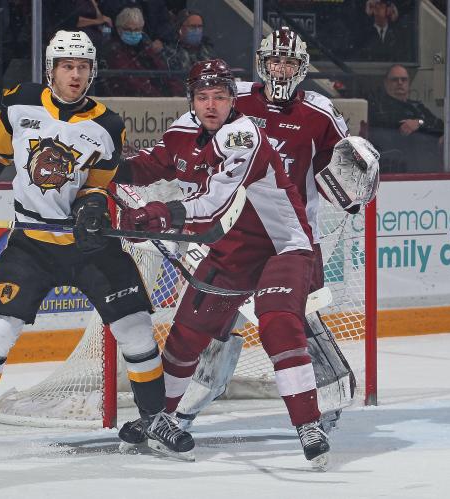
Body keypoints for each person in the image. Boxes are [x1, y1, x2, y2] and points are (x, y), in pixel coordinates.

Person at [0, 30, 193, 462]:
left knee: (135, 329)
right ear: (51, 69)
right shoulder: (19, 102)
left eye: (82, 67)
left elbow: (100, 185)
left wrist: (92, 211)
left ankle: (154, 419)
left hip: (89, 247)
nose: (75, 76)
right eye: (67, 67)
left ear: (92, 71)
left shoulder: (108, 123)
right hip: (32, 245)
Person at [113, 58, 338, 469]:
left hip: (283, 246)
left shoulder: (243, 135)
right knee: (184, 336)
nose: (211, 104)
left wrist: (159, 214)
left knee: (277, 322)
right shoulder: (183, 130)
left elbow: (216, 205)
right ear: (191, 100)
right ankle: (158, 417)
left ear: (233, 100)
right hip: (230, 252)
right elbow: (152, 163)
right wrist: (105, 169)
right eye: (203, 97)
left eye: (220, 96)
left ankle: (309, 424)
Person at [172, 27, 375, 433]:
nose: (281, 70)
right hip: (231, 237)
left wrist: (357, 185)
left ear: (301, 68)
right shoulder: (236, 97)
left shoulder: (319, 113)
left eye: (289, 63)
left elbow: (339, 178)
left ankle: (323, 411)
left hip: (290, 241)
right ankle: (181, 413)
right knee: (215, 326)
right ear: (262, 64)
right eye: (275, 62)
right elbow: (189, 145)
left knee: (297, 325)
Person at [369, 64, 444, 173]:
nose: (400, 83)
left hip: (426, 170)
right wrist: (421, 124)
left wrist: (419, 122)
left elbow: (440, 125)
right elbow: (396, 126)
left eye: (404, 80)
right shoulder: (378, 108)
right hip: (397, 171)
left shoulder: (417, 106)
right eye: (395, 80)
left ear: (409, 83)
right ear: (386, 83)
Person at [99, 6, 181, 97]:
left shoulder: (146, 47)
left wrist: (177, 94)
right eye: (128, 29)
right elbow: (133, 82)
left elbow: (165, 72)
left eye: (137, 29)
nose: (133, 33)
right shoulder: (112, 51)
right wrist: (160, 98)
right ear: (119, 29)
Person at [162, 8, 217, 94]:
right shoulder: (170, 52)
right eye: (192, 27)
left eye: (199, 27)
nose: (197, 30)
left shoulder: (208, 51)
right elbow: (175, 82)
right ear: (180, 29)